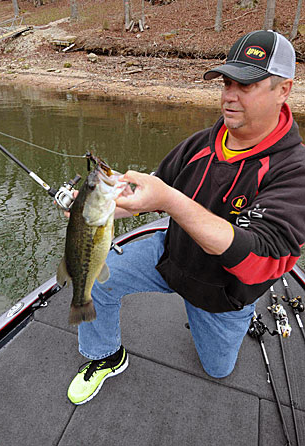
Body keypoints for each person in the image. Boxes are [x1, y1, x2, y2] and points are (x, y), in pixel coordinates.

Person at [67, 30, 305, 405]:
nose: (229, 95)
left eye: (246, 84)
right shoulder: (199, 143)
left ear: (284, 89)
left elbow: (261, 260)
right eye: (227, 82)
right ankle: (106, 355)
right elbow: (152, 194)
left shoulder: (294, 172)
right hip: (170, 256)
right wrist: (100, 204)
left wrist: (171, 201)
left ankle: (225, 322)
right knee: (96, 277)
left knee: (218, 369)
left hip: (222, 295)